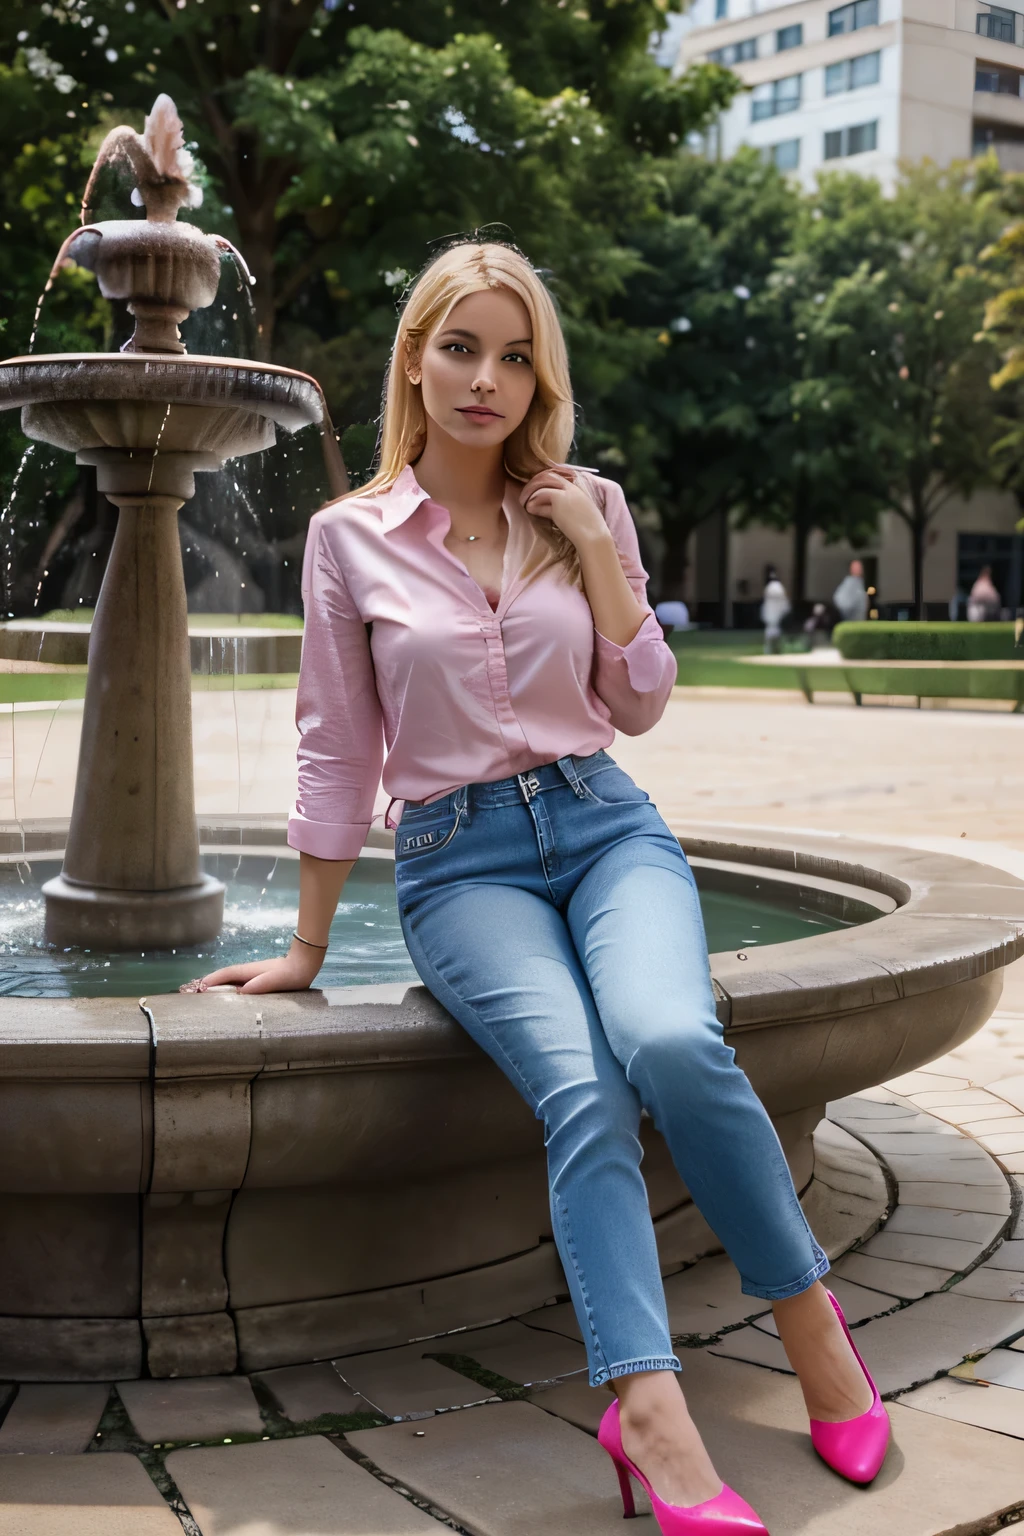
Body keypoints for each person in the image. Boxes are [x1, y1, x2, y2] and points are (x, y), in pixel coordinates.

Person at [189, 241, 888, 1532]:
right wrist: (304, 941)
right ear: (414, 359)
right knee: (581, 1085)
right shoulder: (351, 540)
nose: (487, 380)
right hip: (460, 862)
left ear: (539, 379)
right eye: (461, 348)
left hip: (606, 824)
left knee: (672, 1039)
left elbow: (641, 701)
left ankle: (814, 1330)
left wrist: (594, 550)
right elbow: (337, 738)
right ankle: (651, 1412)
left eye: (517, 356)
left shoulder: (588, 504)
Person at [760, 568, 790, 654]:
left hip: (771, 612)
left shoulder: (769, 587)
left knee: (771, 630)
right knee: (775, 630)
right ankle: (775, 649)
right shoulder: (779, 587)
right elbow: (784, 600)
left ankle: (769, 649)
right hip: (776, 612)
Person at [832, 560, 869, 625]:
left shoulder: (859, 582)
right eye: (856, 567)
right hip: (852, 622)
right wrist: (851, 609)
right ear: (851, 569)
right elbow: (839, 599)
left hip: (860, 622)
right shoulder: (849, 583)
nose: (859, 569)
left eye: (860, 567)